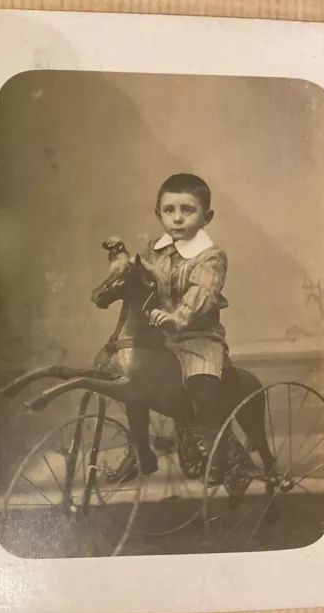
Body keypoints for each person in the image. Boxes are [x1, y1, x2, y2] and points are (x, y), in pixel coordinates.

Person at [108, 173, 231, 484]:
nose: (177, 219)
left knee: (202, 384)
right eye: (169, 210)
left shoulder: (210, 256)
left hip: (197, 338)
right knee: (131, 379)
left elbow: (203, 292)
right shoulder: (156, 250)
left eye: (188, 211)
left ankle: (216, 453)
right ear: (158, 214)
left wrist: (180, 316)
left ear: (207, 216)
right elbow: (146, 279)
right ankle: (139, 451)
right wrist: (122, 258)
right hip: (161, 339)